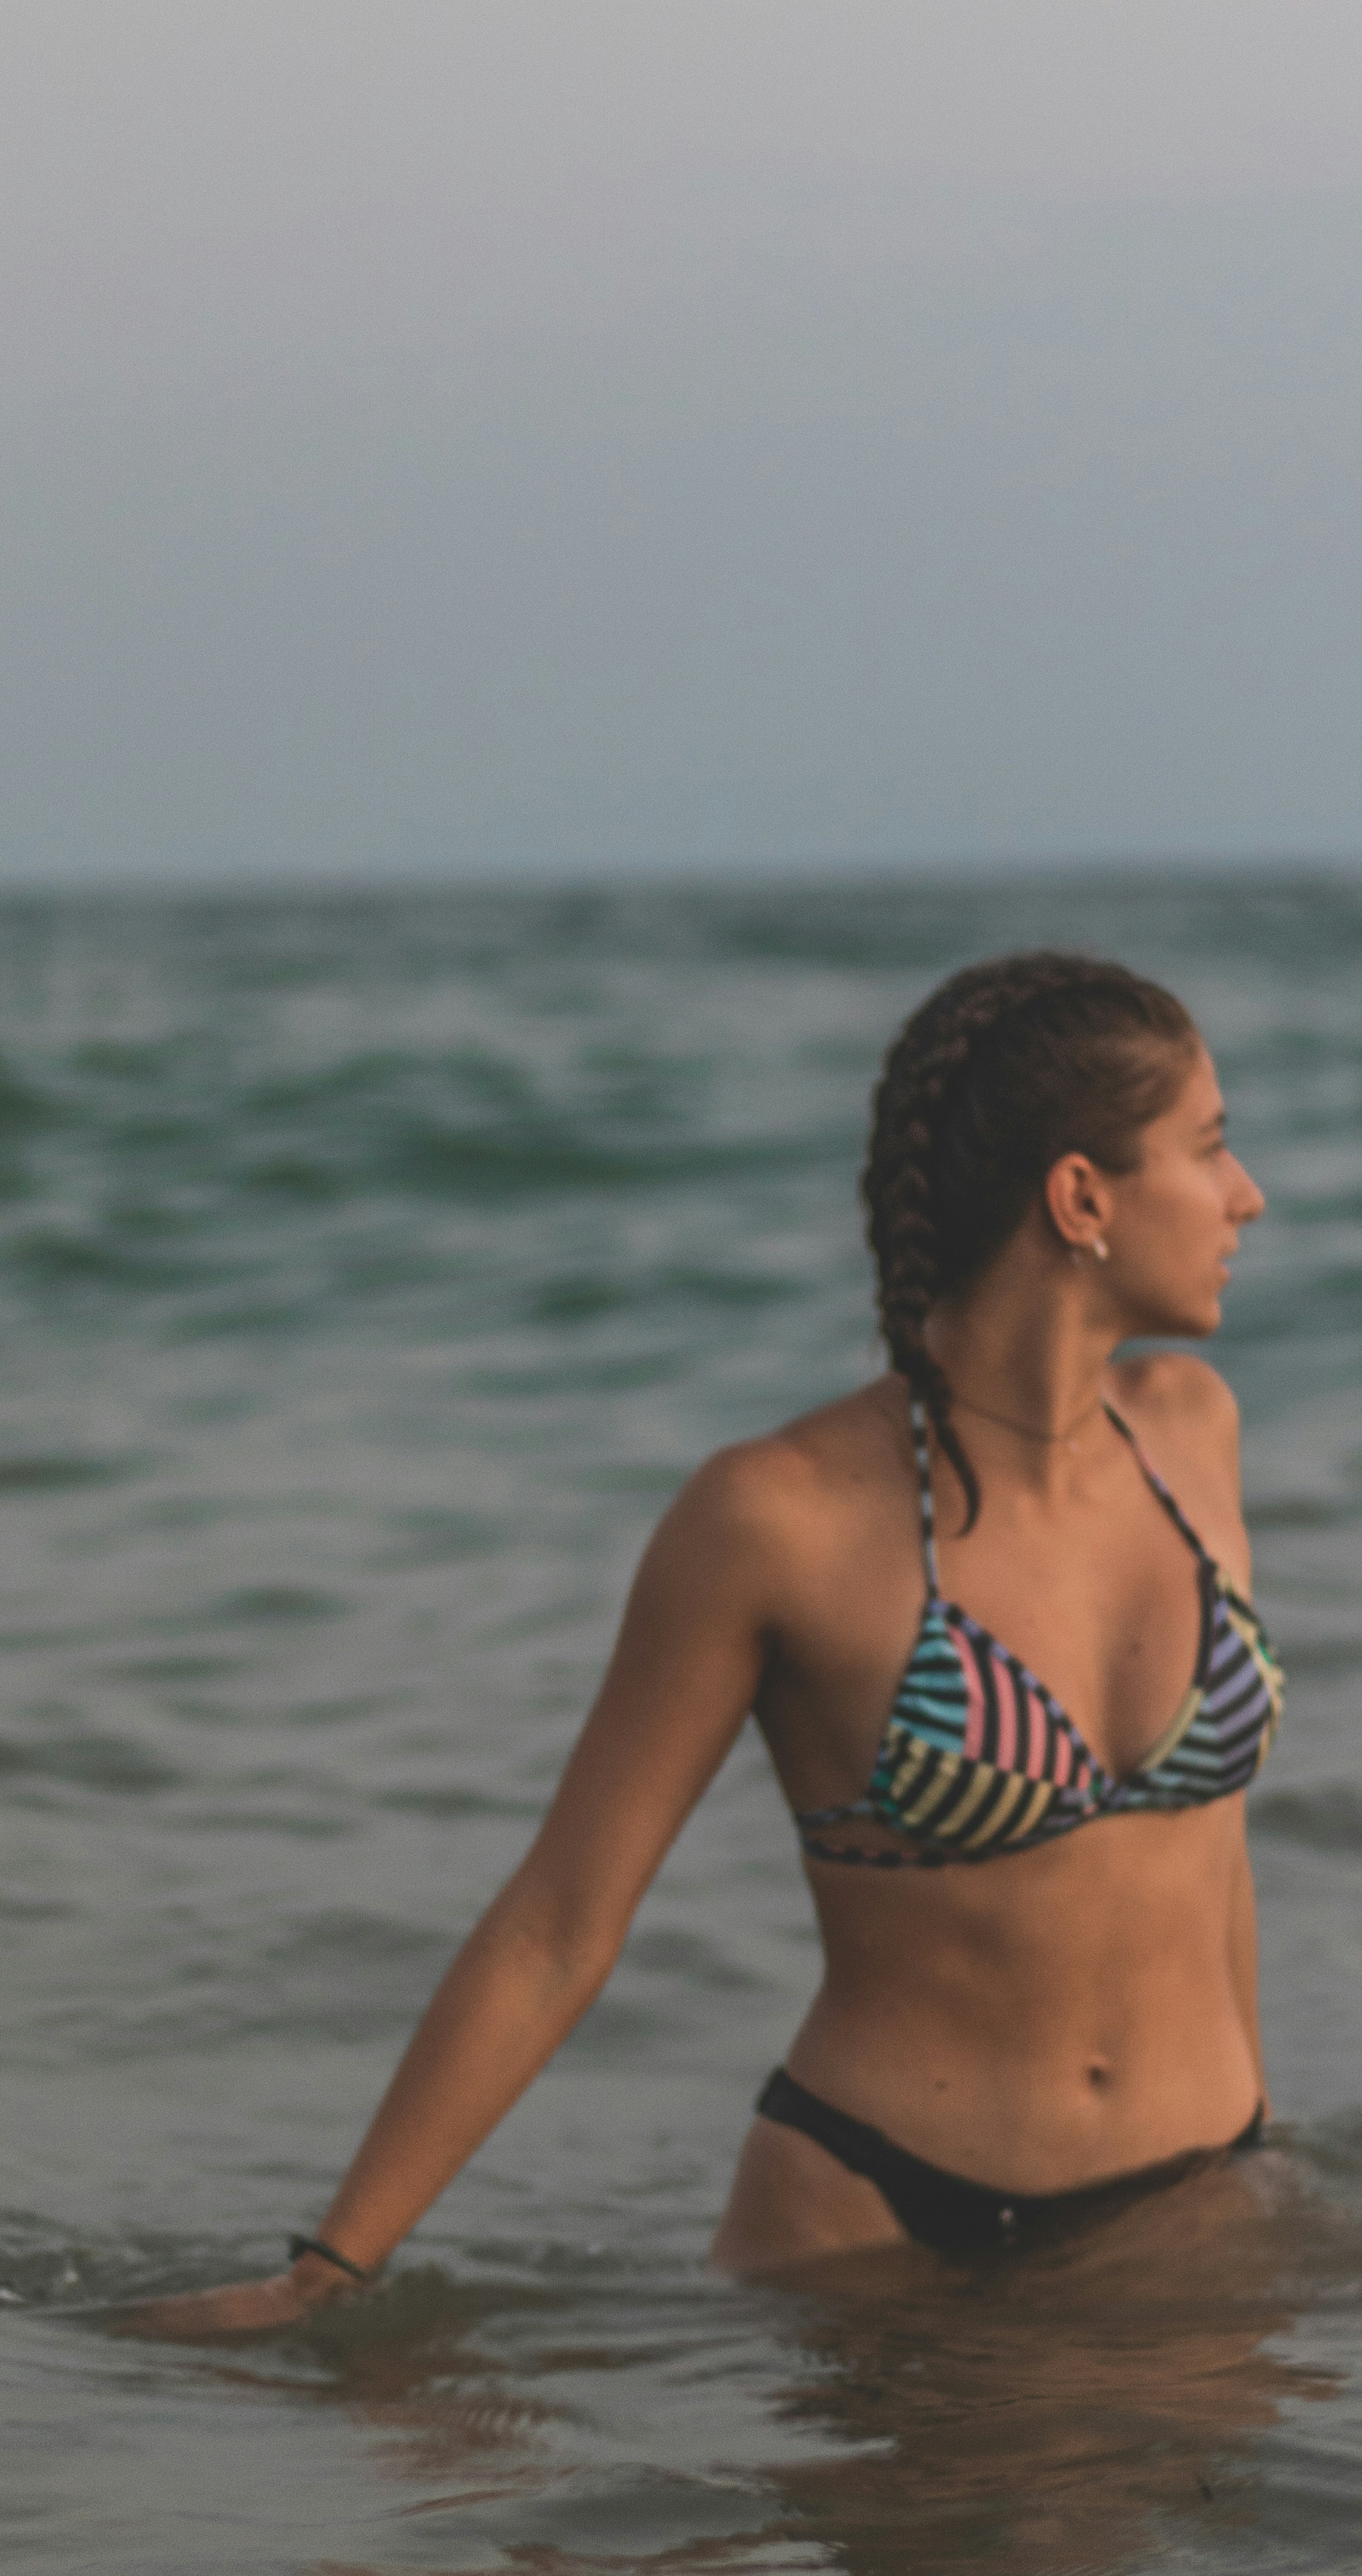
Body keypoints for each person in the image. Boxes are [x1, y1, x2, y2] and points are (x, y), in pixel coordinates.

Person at [137, 951, 1280, 2332]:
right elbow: (561, 1923)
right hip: (882, 2230)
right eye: (1209, 1148)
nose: (1245, 1194)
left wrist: (1252, 2159)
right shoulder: (774, 1520)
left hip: (1196, 2203)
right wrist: (328, 2271)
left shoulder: (1190, 1434)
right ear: (1080, 1196)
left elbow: (1210, 1863)